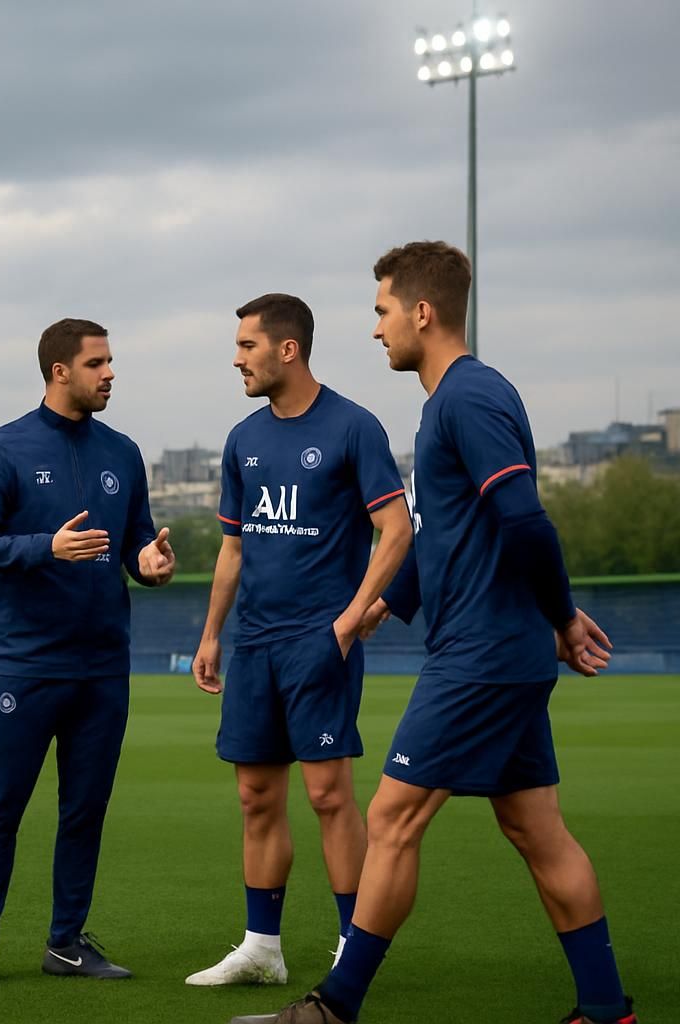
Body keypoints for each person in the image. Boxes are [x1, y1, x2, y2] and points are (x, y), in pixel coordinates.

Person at [232, 241, 634, 1024]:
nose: (376, 329)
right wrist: (385, 607)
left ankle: (333, 1007)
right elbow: (451, 531)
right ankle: (605, 1008)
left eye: (382, 311)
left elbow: (524, 521)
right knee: (535, 827)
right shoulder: (450, 401)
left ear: (422, 311)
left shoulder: (466, 398)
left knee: (389, 817)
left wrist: (558, 617)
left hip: (481, 655)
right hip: (497, 648)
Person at [187, 294, 411, 987]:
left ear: (289, 349)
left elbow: (397, 529)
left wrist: (349, 621)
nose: (236, 358)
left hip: (320, 643)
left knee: (328, 797)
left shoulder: (353, 427)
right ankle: (262, 947)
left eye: (247, 346)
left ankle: (353, 946)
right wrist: (211, 634)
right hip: (251, 644)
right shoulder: (242, 439)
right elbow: (233, 548)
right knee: (256, 795)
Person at [0, 317, 175, 987]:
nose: (110, 374)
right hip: (28, 663)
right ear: (59, 372)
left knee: (85, 811)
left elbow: (134, 541)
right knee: (1, 810)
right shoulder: (2, 450)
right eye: (98, 363)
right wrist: (44, 545)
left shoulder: (123, 452)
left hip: (104, 666)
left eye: (111, 362)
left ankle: (67, 943)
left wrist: (149, 561)